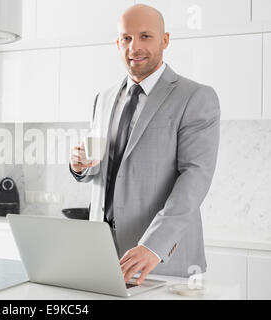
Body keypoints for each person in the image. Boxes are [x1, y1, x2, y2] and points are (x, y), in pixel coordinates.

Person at [69, 4, 220, 285]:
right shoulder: (103, 98)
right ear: (118, 43)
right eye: (126, 38)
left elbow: (195, 177)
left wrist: (152, 246)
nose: (134, 47)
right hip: (101, 255)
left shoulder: (196, 97)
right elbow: (104, 165)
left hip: (162, 258)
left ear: (164, 40)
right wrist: (81, 166)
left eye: (145, 36)